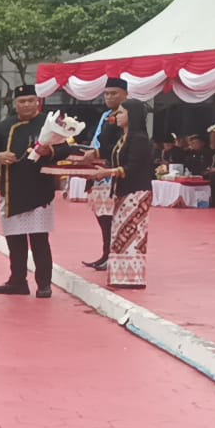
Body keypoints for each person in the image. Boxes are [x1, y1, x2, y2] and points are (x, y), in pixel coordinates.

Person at [0, 85, 71, 298]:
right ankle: (17, 281)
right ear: (15, 104)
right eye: (21, 101)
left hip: (38, 192)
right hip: (11, 190)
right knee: (14, 241)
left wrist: (49, 150)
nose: (26, 105)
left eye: (30, 100)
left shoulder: (49, 124)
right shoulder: (6, 125)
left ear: (37, 102)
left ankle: (44, 284)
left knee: (39, 241)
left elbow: (66, 149)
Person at [91, 99, 153, 289]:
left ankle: (132, 277)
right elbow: (109, 152)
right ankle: (121, 276)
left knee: (132, 233)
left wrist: (108, 172)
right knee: (120, 233)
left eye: (121, 112)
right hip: (123, 191)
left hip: (136, 192)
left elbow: (133, 167)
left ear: (131, 115)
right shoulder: (124, 137)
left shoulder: (139, 139)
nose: (116, 116)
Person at [82, 78, 128, 270]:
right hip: (99, 172)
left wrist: (98, 153)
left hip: (115, 172)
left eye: (114, 93)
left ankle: (113, 254)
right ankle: (105, 253)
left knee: (113, 217)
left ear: (125, 94)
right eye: (106, 94)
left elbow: (120, 144)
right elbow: (99, 139)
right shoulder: (106, 115)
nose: (109, 97)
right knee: (102, 216)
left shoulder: (127, 115)